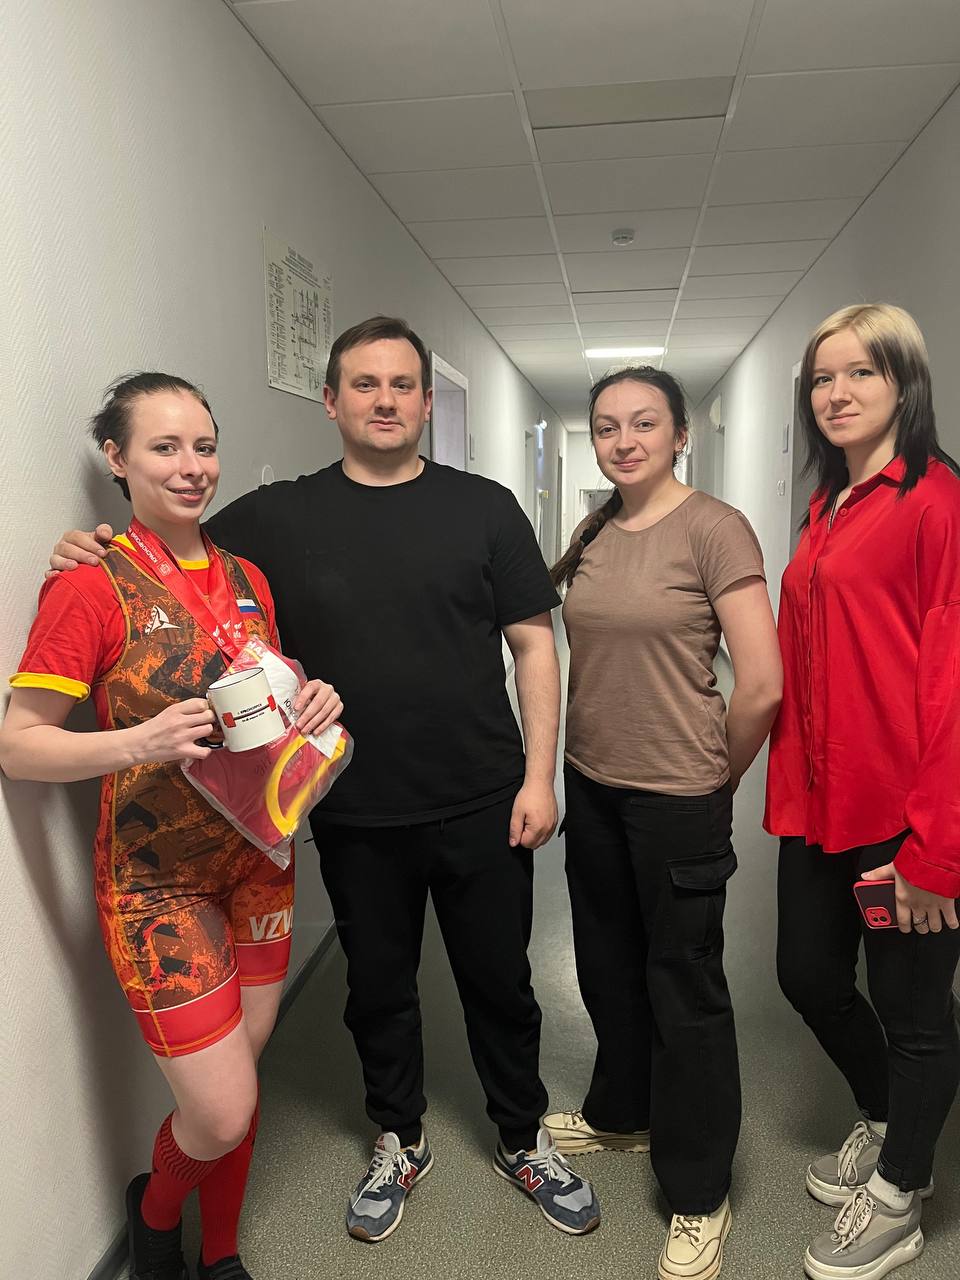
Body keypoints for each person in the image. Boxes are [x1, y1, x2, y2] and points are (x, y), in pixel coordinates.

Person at [48, 316, 601, 1241]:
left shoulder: (485, 507)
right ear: (332, 401)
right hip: (351, 808)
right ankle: (399, 1136)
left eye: (402, 385)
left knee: (502, 983)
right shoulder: (273, 518)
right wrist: (90, 547)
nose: (385, 400)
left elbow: (534, 646)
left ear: (425, 401)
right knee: (378, 986)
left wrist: (538, 778)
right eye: (364, 384)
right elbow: (172, 555)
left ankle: (521, 1135)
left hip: (482, 796)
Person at [0, 374, 341, 1280]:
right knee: (219, 1111)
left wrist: (309, 697)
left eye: (204, 446)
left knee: (243, 1084)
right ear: (117, 458)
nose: (192, 467)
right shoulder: (90, 585)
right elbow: (19, 747)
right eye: (165, 447)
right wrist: (138, 742)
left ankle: (219, 1254)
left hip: (261, 860)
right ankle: (154, 1216)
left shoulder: (247, 578)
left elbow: (260, 698)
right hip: (157, 884)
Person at [544, 367, 782, 1280]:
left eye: (644, 423)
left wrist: (717, 779)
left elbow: (761, 684)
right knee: (606, 966)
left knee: (685, 990)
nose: (624, 441)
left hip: (679, 795)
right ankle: (622, 1113)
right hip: (593, 784)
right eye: (607, 426)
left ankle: (698, 1190)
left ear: (680, 434)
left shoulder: (715, 528)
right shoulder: (594, 529)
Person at [764, 303, 960, 1279]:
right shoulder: (829, 505)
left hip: (904, 814)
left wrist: (936, 850)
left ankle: (900, 1195)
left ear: (904, 384)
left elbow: (954, 681)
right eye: (822, 377)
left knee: (916, 1012)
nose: (837, 393)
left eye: (861, 373)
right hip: (821, 804)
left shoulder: (935, 501)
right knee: (807, 973)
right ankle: (886, 1117)